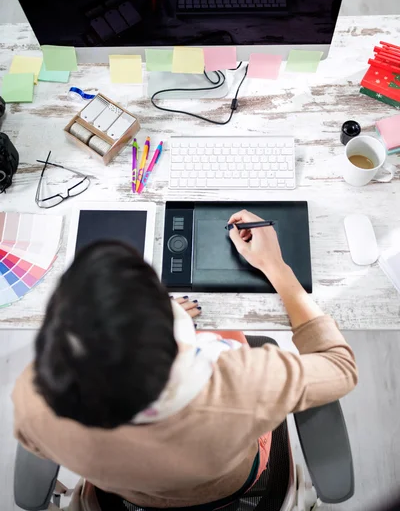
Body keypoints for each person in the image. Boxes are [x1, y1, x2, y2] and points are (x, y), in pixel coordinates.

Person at [13, 210, 358, 510]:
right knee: (232, 333)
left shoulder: (35, 398)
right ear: (175, 347)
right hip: (234, 481)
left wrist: (143, 329)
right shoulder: (244, 384)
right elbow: (340, 368)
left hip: (127, 493)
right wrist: (276, 267)